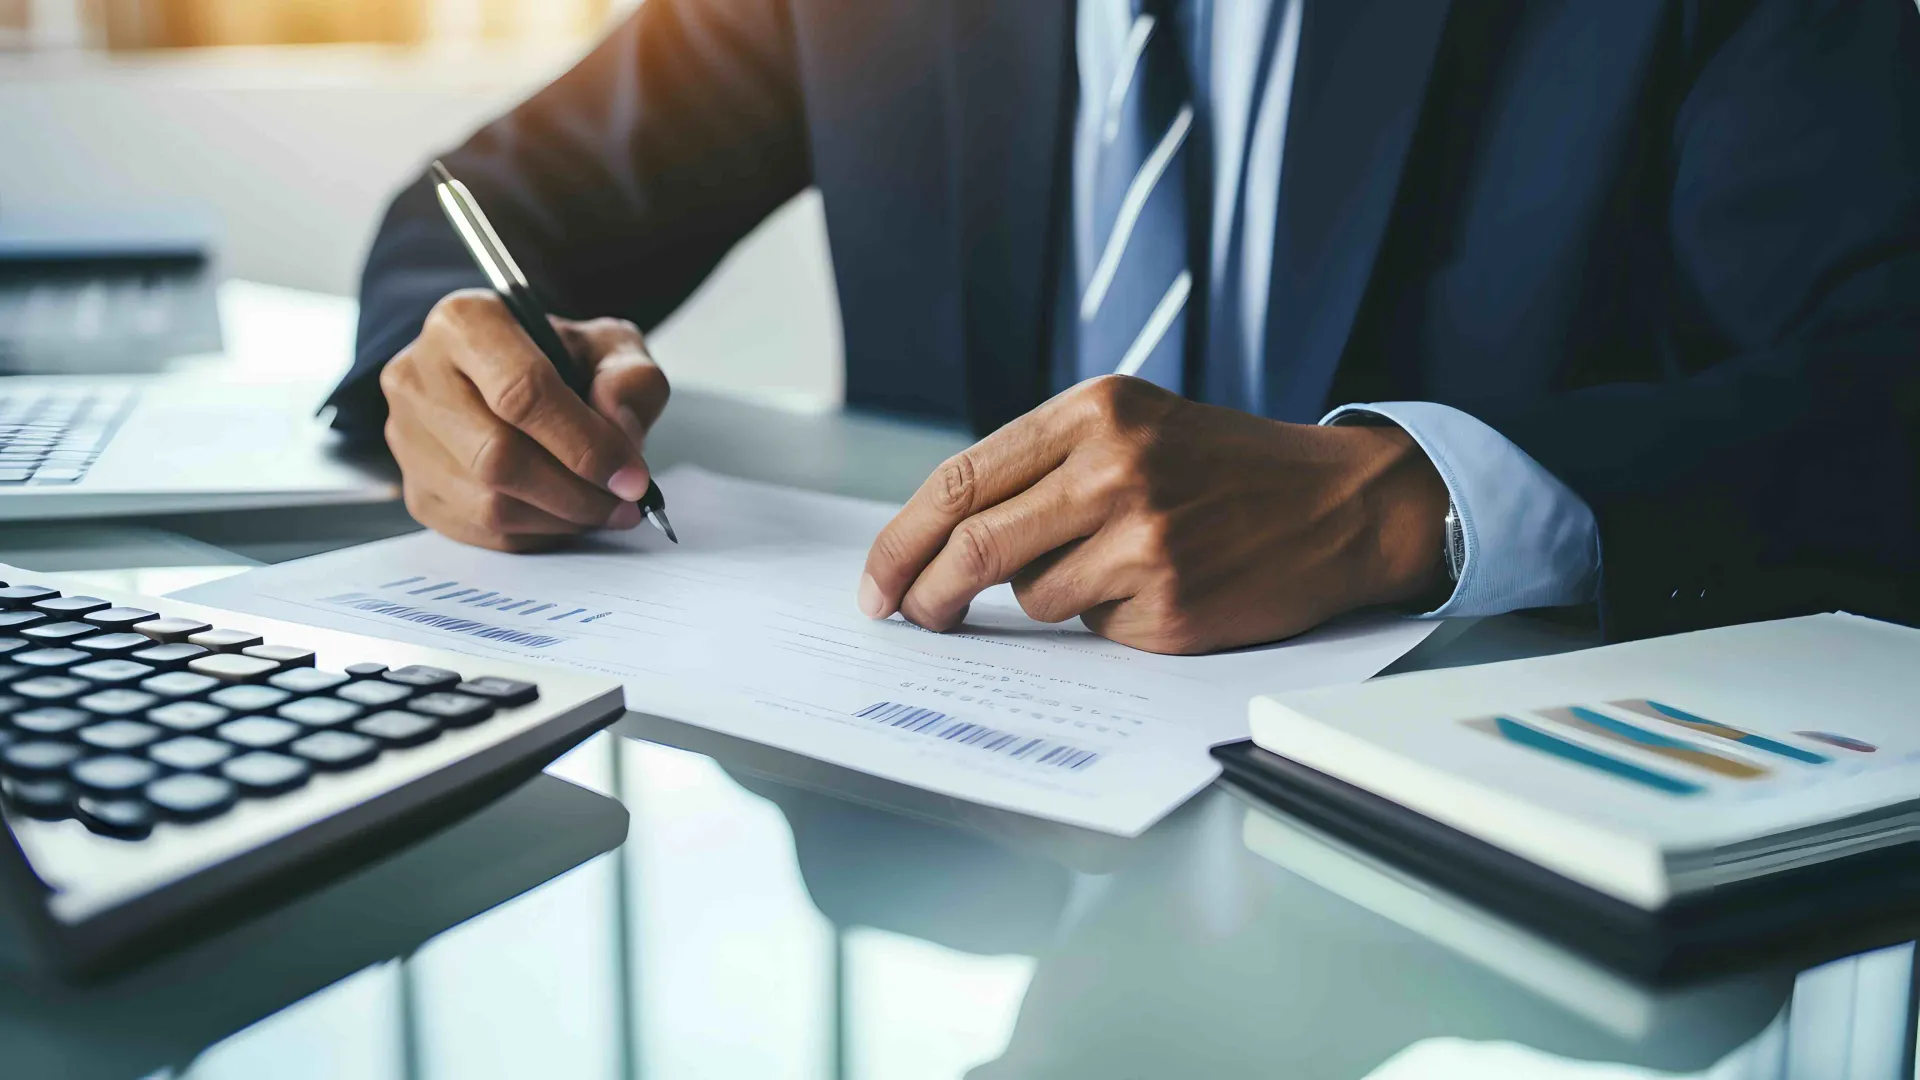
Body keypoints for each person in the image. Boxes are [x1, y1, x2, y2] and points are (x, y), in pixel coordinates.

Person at [331, 0, 1920, 654]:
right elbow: (482, 204)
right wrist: (459, 356)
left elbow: (1888, 370)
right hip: (949, 767)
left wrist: (1417, 499)